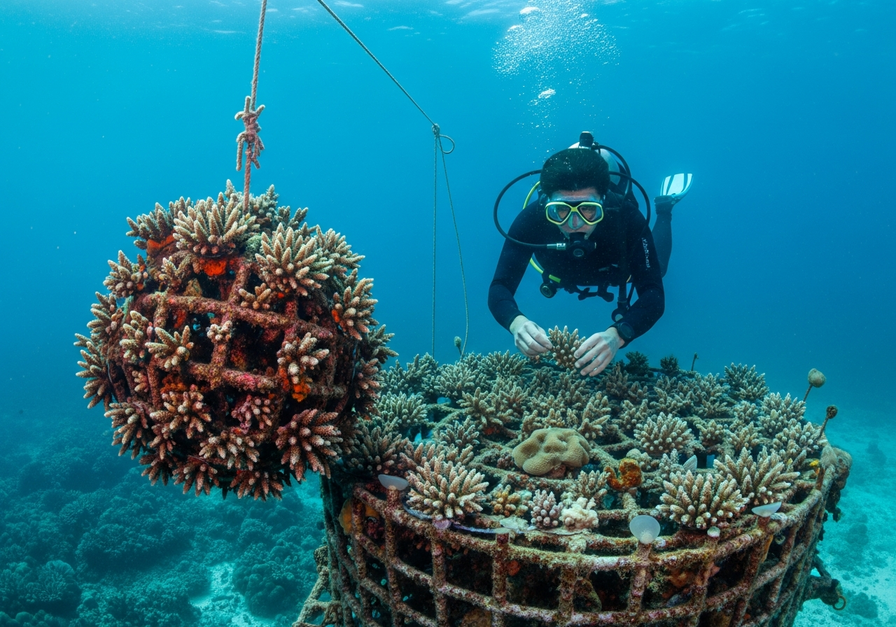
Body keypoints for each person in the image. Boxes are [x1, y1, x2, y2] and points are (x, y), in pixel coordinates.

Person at [488, 143, 684, 377]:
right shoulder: (532, 218)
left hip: (616, 269)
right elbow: (500, 286)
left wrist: (618, 335)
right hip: (565, 272)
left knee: (657, 268)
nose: (574, 224)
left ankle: (664, 207)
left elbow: (654, 295)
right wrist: (515, 322)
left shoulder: (626, 217)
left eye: (588, 210)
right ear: (548, 204)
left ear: (603, 201)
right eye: (561, 210)